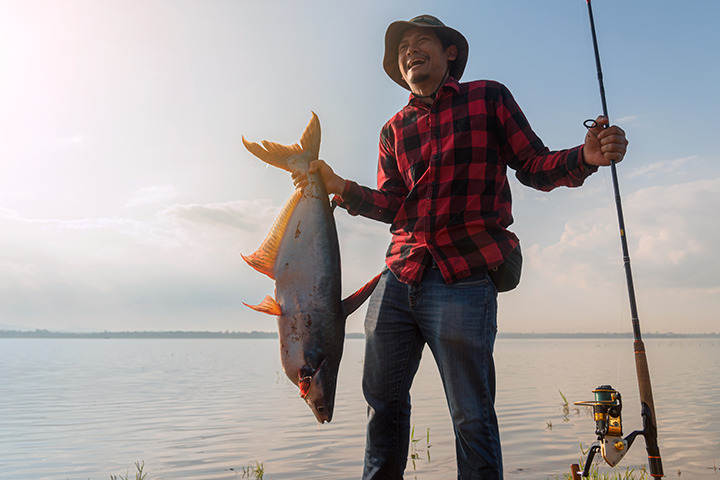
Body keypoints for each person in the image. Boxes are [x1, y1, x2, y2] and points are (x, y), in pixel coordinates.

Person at [292, 14, 628, 480]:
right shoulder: (392, 130)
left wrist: (585, 157)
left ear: (449, 52)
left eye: (420, 41)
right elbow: (393, 205)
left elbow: (532, 164)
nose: (409, 51)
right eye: (402, 47)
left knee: (471, 414)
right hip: (397, 279)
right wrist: (339, 186)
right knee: (381, 407)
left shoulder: (487, 97)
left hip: (464, 278)